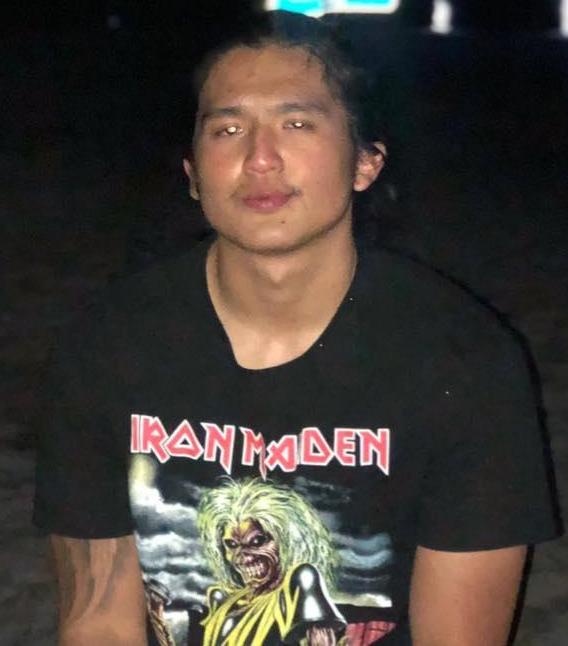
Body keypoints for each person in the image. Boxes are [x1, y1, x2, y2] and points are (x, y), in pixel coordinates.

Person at [34, 10, 558, 646]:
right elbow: (98, 622)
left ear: (365, 162)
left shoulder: (464, 361)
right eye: (228, 129)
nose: (259, 158)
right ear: (193, 173)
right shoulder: (107, 346)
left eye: (297, 123)